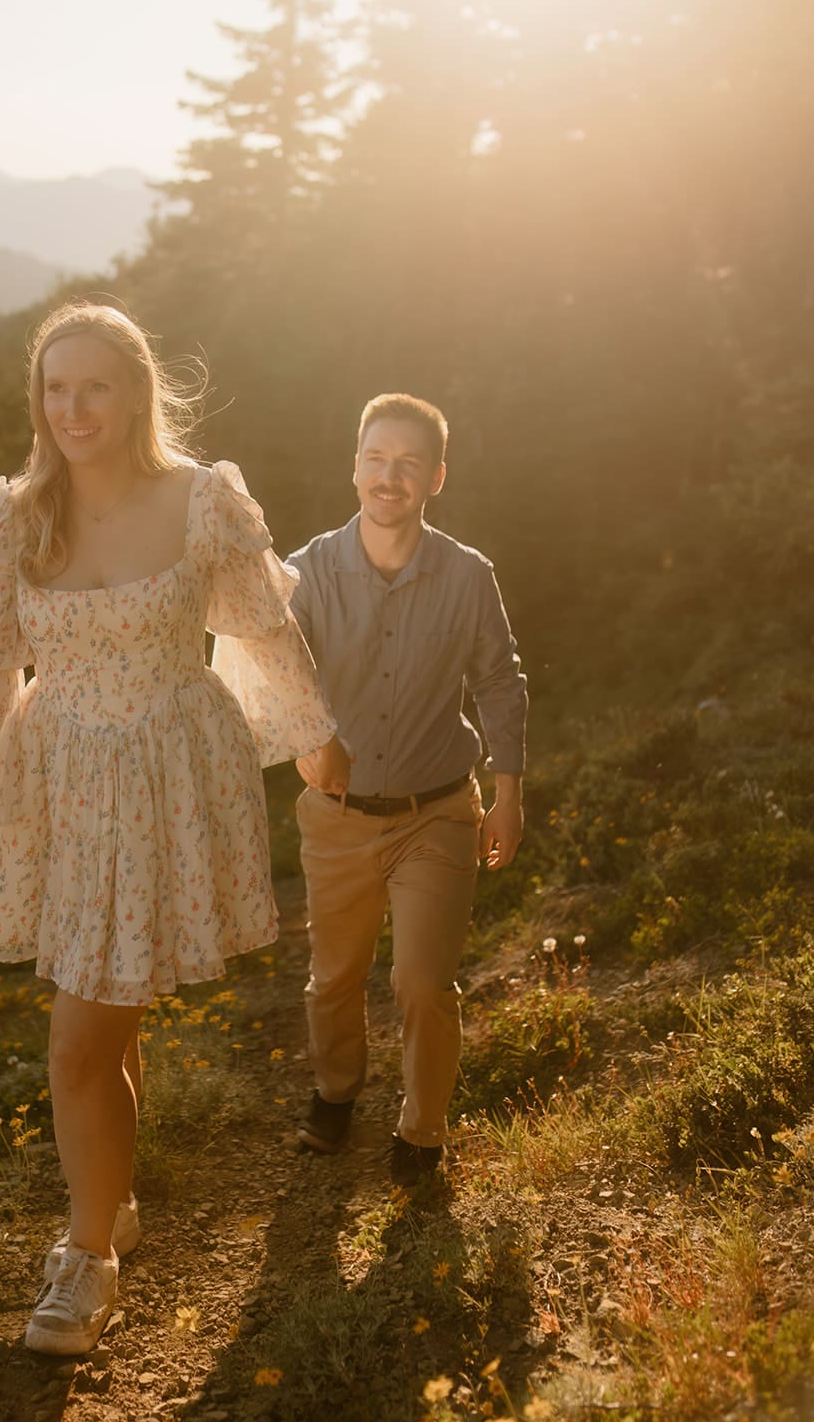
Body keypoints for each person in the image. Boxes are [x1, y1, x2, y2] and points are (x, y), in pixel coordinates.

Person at [0, 302, 348, 1355]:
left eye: (94, 386)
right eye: (55, 390)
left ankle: (88, 1262)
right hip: (60, 788)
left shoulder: (198, 501)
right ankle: (113, 1205)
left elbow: (261, 624)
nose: (73, 409)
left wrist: (315, 735)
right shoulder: (18, 515)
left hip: (168, 783)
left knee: (78, 1043)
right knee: (104, 1019)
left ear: (136, 392)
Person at [285, 392, 527, 1187]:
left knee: (422, 982)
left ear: (435, 478)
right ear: (355, 467)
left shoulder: (467, 576)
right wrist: (300, 745)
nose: (390, 478)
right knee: (335, 979)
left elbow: (498, 682)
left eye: (409, 465)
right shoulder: (306, 572)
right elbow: (269, 675)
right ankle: (335, 1091)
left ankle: (421, 1133)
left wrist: (508, 792)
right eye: (376, 460)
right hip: (336, 818)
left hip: (438, 813)